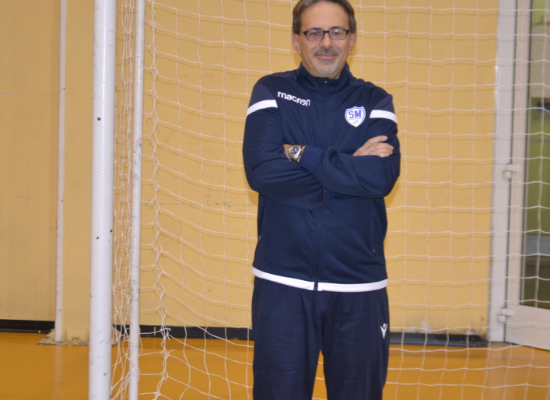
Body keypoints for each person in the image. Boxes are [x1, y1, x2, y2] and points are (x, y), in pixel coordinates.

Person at [242, 0, 400, 398]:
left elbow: (380, 177)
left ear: (352, 40)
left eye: (336, 32)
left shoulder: (376, 100)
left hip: (359, 285)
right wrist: (349, 169)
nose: (325, 43)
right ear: (297, 41)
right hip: (282, 281)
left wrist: (300, 153)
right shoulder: (271, 91)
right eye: (314, 32)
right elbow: (261, 171)